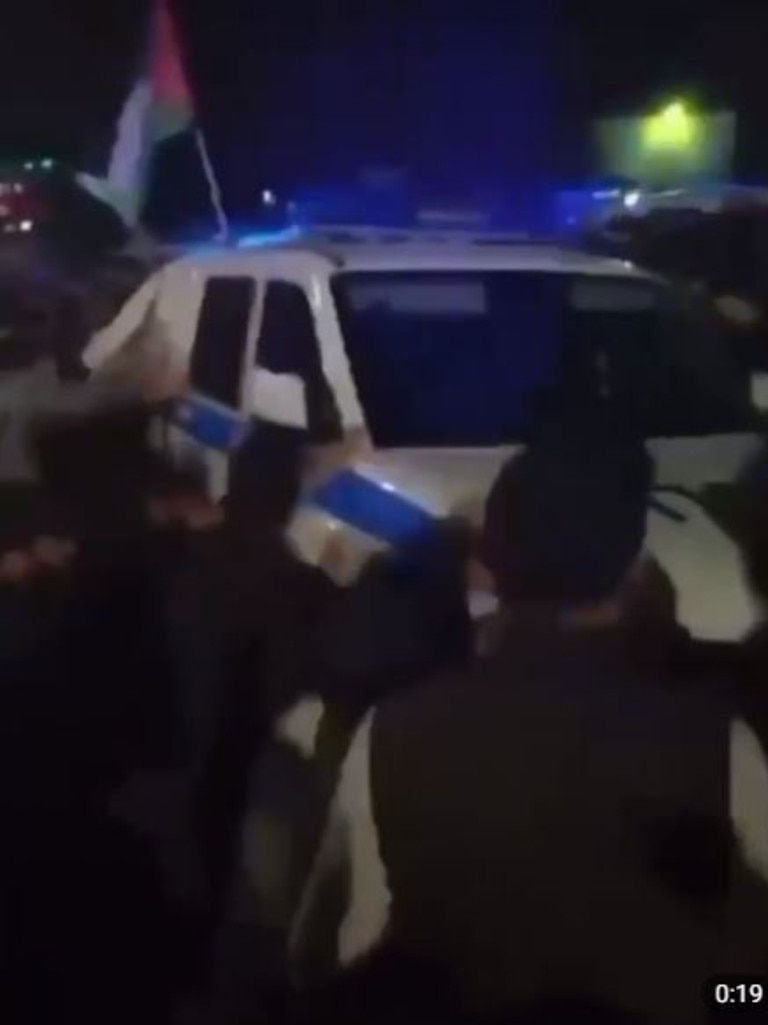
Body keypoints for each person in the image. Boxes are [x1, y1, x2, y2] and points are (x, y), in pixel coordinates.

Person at [286, 424, 768, 1025]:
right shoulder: (719, 740)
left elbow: (341, 952)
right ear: (631, 573)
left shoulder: (394, 731)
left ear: (489, 563)